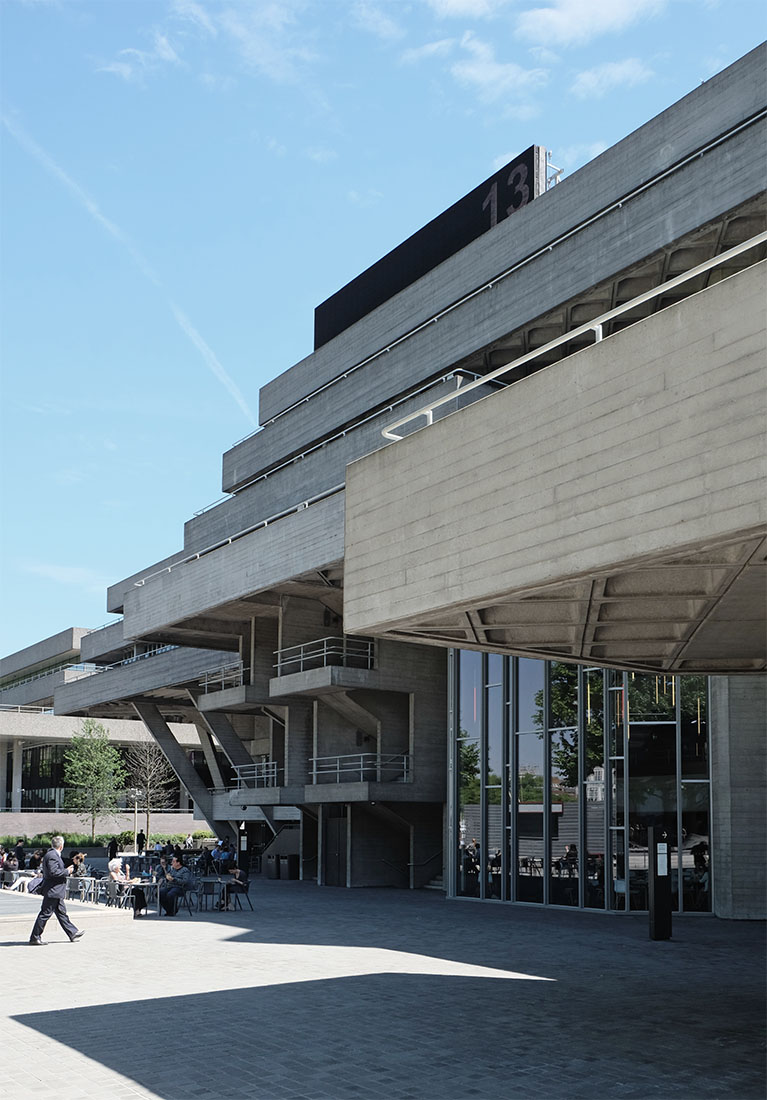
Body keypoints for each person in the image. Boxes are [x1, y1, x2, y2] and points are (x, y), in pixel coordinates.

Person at [29, 835, 84, 946]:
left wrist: (72, 863)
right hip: (53, 890)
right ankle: (35, 937)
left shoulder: (52, 855)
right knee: (45, 914)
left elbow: (57, 867)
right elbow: (54, 872)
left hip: (56, 890)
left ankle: (72, 933)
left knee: (62, 913)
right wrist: (67, 871)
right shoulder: (52, 855)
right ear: (61, 846)